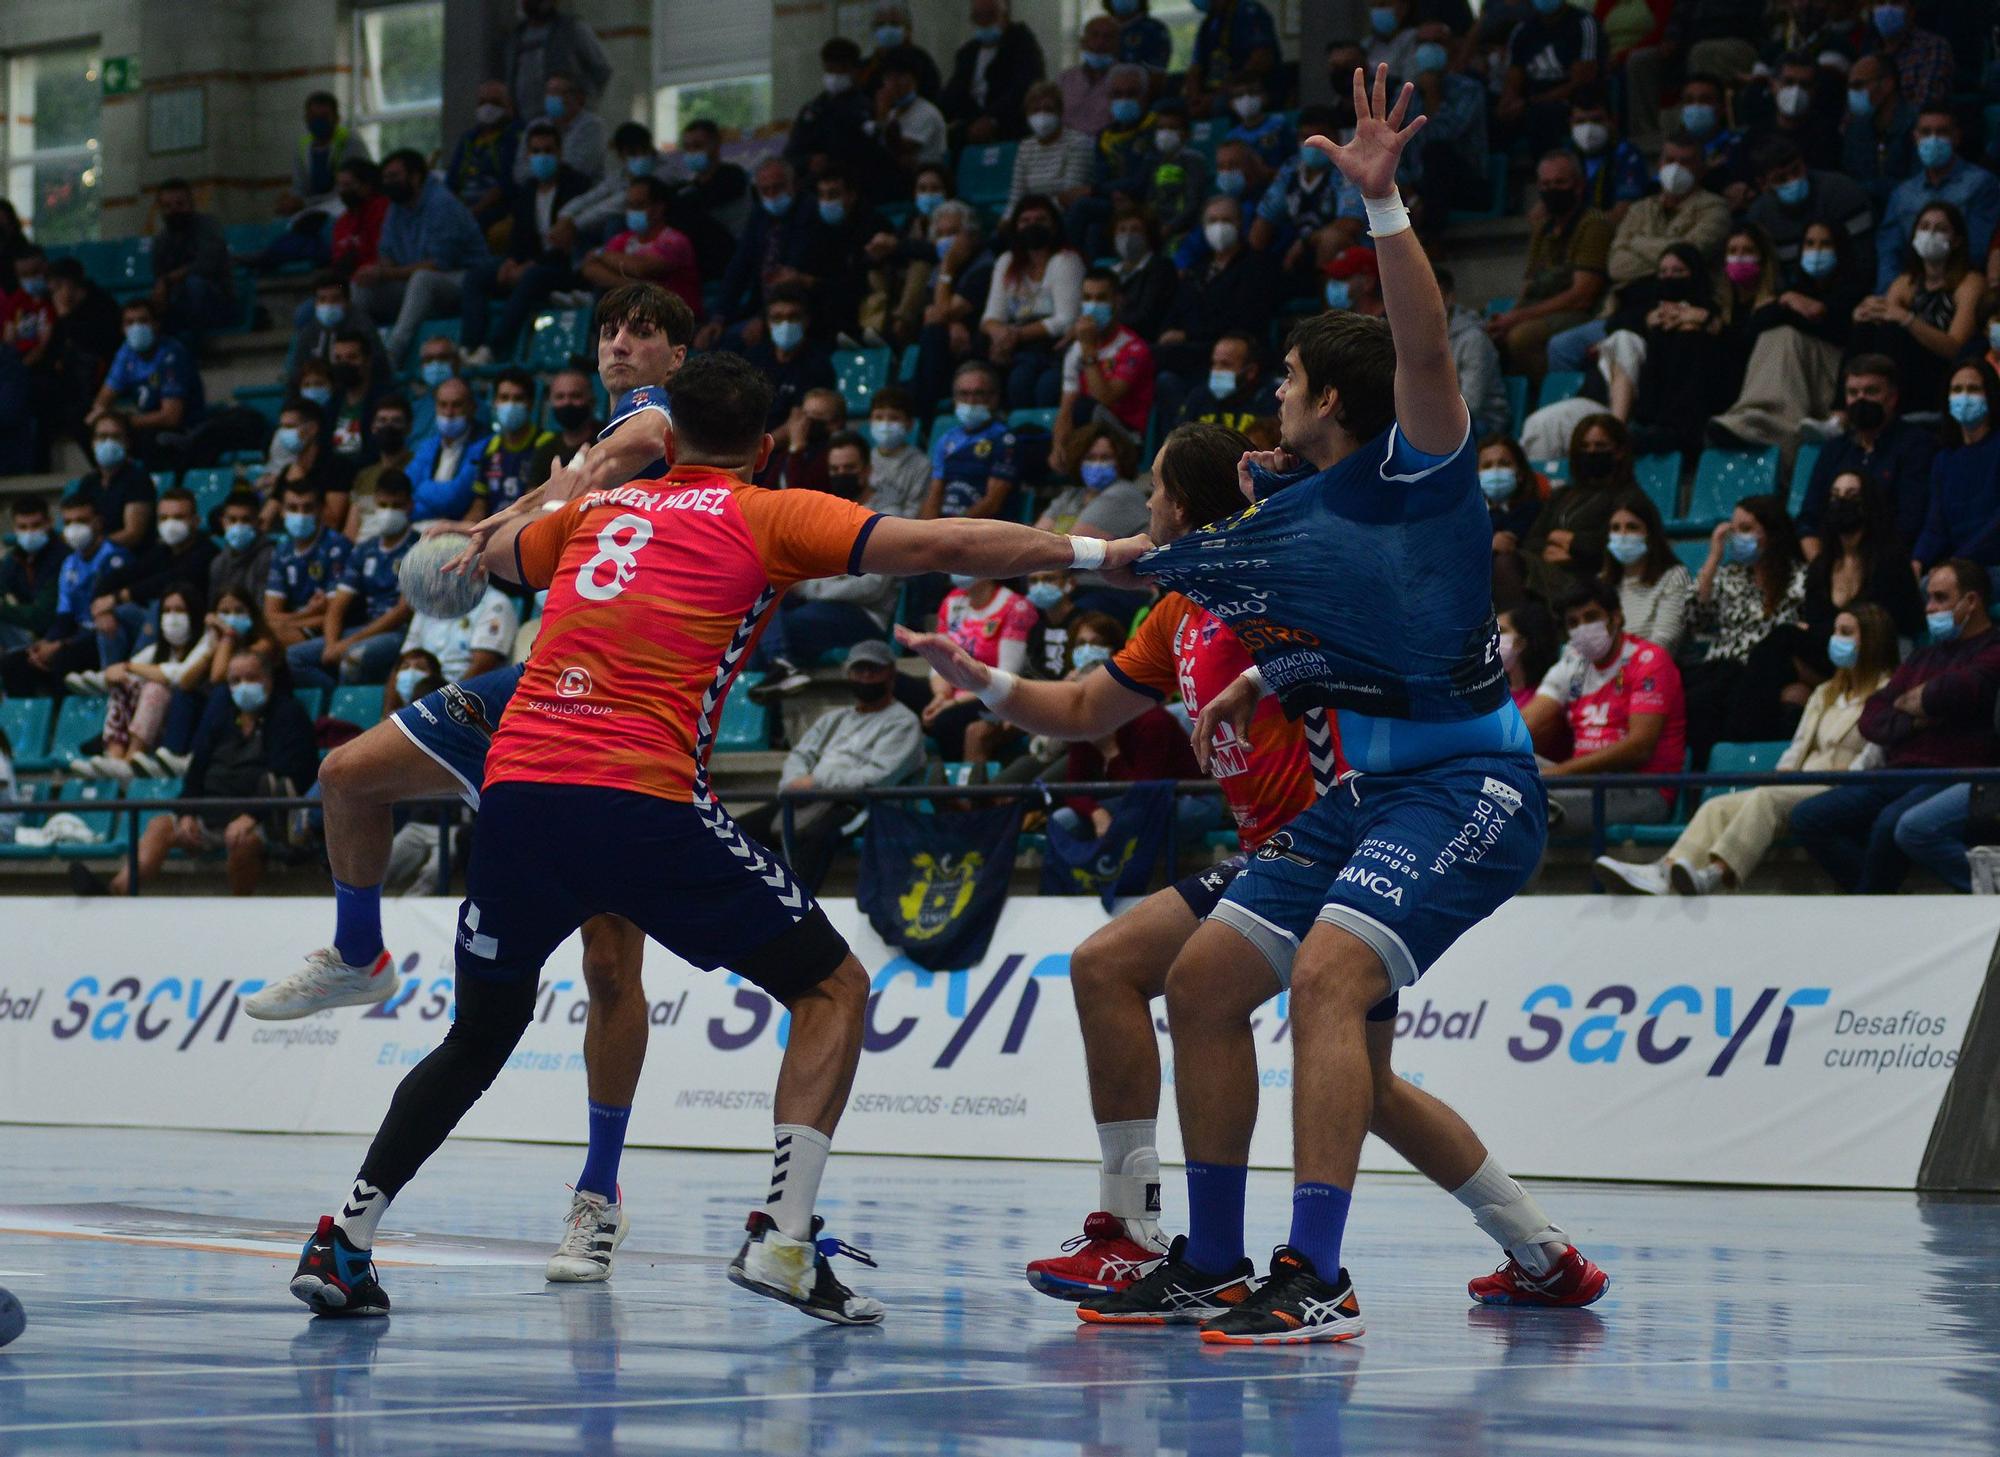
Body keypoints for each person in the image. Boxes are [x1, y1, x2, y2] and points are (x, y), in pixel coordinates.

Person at [281, 345, 1152, 1325]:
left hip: (519, 791)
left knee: (479, 1032)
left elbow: (487, 556)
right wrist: (1094, 554)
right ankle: (781, 1237)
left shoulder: (592, 514)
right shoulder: (771, 511)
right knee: (831, 986)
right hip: (638, 795)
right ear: (767, 443)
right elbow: (943, 543)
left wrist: (533, 501)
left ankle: (345, 1239)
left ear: (669, 437)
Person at [1084, 70, 1562, 1342]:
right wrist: (1248, 670)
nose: (1275, 394)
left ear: (1330, 400)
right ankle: (1220, 1258)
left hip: (1471, 789)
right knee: (1194, 984)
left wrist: (1383, 204)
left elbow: (1415, 345)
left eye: (1288, 377)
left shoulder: (1418, 467)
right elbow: (1305, 623)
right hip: (1362, 796)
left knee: (1330, 980)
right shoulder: (1286, 519)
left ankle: (1320, 1273)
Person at [248, 286, 696, 1291]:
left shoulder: (662, 422)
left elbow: (626, 454)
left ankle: (597, 1192)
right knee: (346, 772)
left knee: (611, 964)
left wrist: (531, 501)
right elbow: (565, 508)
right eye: (610, 331)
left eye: (642, 331)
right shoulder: (596, 446)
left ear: (680, 350)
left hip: (625, 712)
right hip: (536, 685)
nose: (621, 342)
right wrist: (497, 521)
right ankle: (360, 948)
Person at [1600, 603, 1901, 895]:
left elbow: (1874, 756)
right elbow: (1798, 746)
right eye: (1835, 631)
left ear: (1871, 641)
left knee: (1764, 798)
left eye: (1846, 632)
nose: (1835, 640)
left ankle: (1714, 873)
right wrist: (1784, 774)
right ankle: (1665, 870)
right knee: (1715, 806)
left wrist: (1838, 775)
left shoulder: (1888, 693)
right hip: (1802, 783)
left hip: (1844, 788)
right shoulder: (1826, 691)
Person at [1792, 560, 2000, 893]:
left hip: (1956, 774)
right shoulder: (1921, 658)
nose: (1930, 609)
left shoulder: (1993, 650)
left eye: (1940, 599)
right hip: (1897, 774)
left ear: (1971, 602)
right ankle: (1883, 900)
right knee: (1808, 818)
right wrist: (1919, 716)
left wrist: (1915, 703)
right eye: (1928, 599)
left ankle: (1871, 904)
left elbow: (1955, 690)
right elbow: (1872, 716)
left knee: (1892, 823)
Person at [67, 649, 314, 899]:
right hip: (208, 814)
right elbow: (197, 770)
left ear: (269, 679)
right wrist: (186, 813)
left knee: (244, 843)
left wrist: (251, 816)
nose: (243, 686)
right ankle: (117, 891)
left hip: (260, 820)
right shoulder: (222, 717)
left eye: (251, 678)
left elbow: (293, 774)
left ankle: (239, 909)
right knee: (160, 826)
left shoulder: (289, 715)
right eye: (235, 681)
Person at [739, 639, 922, 887]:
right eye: (860, 670)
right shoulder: (835, 718)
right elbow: (800, 755)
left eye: (874, 670)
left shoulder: (903, 723)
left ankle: (797, 910)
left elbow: (878, 777)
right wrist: (793, 783)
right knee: (735, 832)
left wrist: (816, 782)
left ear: (891, 674)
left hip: (860, 804)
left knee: (816, 836)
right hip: (807, 798)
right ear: (848, 673)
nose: (866, 677)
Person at [1526, 577, 1687, 832]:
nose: (1583, 628)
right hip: (1581, 783)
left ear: (1616, 618)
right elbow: (1523, 726)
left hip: (1641, 791)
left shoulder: (1649, 661)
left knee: (1526, 803)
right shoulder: (1573, 663)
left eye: (1591, 617)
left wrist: (1558, 775)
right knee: (1502, 764)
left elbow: (1639, 748)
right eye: (1573, 623)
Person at [1707, 220, 1864, 450]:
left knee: (1783, 335)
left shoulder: (1855, 290)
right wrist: (1787, 305)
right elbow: (1756, 328)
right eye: (1810, 244)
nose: (1816, 251)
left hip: (1837, 380)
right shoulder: (1796, 291)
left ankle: (1774, 424)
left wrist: (1818, 311)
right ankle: (1750, 417)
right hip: (1807, 378)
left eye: (1825, 244)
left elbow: (1839, 330)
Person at [1685, 494, 1809, 762]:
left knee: (1705, 700)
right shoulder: (1730, 576)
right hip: (1721, 667)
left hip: (1762, 673)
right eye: (1734, 529)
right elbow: (1696, 618)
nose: (1737, 537)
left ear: (1772, 532)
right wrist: (1714, 556)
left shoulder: (1800, 578)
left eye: (1746, 529)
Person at [459, 121, 592, 365]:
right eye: (536, 151)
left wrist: (527, 266)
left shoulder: (577, 186)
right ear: (529, 155)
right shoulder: (527, 191)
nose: (542, 157)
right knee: (477, 276)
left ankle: (492, 349)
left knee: (533, 277)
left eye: (548, 150)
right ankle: (469, 346)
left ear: (560, 152)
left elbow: (565, 246)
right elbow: (519, 237)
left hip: (564, 268)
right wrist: (511, 262)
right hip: (530, 262)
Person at [349, 150, 490, 364]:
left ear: (415, 177)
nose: (388, 183)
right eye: (385, 178)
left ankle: (392, 354)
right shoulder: (395, 208)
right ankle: (359, 354)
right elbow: (387, 254)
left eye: (394, 177)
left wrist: (386, 273)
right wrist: (377, 273)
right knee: (361, 286)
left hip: (464, 279)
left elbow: (439, 265)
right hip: (416, 282)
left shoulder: (441, 203)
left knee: (422, 278)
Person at [1795, 354, 1940, 558]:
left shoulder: (1916, 445)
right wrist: (1822, 568)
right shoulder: (1834, 449)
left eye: (1871, 391)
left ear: (1892, 398)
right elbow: (1809, 518)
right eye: (1853, 393)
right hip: (1832, 559)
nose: (1860, 399)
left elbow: (1910, 522)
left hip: (1888, 558)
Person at [1851, 202, 1984, 416]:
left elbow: (1955, 348)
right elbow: (1885, 319)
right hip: (1906, 366)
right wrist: (1865, 314)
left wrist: (1908, 320)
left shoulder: (1970, 282)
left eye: (1940, 229)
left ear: (1957, 240)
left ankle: (1890, 406)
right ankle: (1841, 413)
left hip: (1940, 370)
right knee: (1865, 328)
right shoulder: (1905, 282)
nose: (1930, 234)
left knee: (1894, 331)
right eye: (1924, 227)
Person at [1486, 151, 1611, 378]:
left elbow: (1582, 295)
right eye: (1546, 184)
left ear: (1578, 185)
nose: (1552, 189)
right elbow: (1530, 283)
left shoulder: (1594, 225)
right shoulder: (1543, 228)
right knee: (1486, 334)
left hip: (1582, 313)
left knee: (1521, 337)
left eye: (1560, 182)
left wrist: (1518, 318)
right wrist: (1507, 318)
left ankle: (1544, 395)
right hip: (1542, 309)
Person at [293, 473, 414, 691]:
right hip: (366, 628)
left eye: (396, 505)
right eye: (383, 504)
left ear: (410, 506)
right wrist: (332, 644)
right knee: (295, 656)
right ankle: (332, 702)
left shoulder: (418, 548)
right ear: (375, 505)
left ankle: (348, 714)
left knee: (353, 656)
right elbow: (337, 605)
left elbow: (402, 612)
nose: (388, 512)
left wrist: (346, 644)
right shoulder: (364, 549)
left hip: (400, 632)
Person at [85, 581, 215, 781]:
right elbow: (119, 670)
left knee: (155, 689)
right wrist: (115, 672)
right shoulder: (159, 650)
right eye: (167, 611)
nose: (172, 617)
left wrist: (129, 667)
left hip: (180, 727)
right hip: (148, 725)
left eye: (179, 610)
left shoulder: (205, 642)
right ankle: (114, 756)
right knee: (123, 684)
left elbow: (179, 675)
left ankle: (131, 758)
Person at [0, 497, 129, 697]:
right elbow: (64, 616)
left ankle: (66, 721)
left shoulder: (114, 558)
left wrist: (59, 645)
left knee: (63, 658)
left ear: (98, 522)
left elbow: (106, 619)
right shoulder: (70, 562)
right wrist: (47, 643)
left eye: (81, 521)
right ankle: (29, 725)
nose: (74, 528)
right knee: (14, 662)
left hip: (103, 636)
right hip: (73, 635)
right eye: (68, 522)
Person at [1873, 108, 2000, 295]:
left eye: (1941, 132)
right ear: (1915, 138)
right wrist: (1889, 294)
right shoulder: (1903, 193)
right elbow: (1889, 252)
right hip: (1909, 289)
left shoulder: (1981, 184)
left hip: (1960, 288)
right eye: (1926, 132)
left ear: (1956, 137)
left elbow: (1976, 249)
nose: (1933, 139)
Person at [922, 572, 1039, 762]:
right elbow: (939, 659)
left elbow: (1005, 675)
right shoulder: (952, 600)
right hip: (954, 687)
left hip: (992, 690)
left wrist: (952, 703)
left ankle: (957, 785)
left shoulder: (1016, 607)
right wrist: (940, 696)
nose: (955, 569)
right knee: (903, 692)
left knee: (946, 721)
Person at [87, 297, 205, 468]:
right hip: (145, 425)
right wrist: (100, 420)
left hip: (183, 428)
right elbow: (103, 400)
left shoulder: (172, 354)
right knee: (95, 429)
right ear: (122, 328)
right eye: (130, 322)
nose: (136, 327)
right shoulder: (126, 352)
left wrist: (125, 422)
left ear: (156, 324)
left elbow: (171, 417)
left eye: (143, 321)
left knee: (146, 440)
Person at [1915, 362, 2000, 575]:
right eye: (1957, 390)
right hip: (1958, 566)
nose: (1964, 397)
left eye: (1973, 389)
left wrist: (1956, 563)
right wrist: (1917, 561)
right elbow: (1935, 527)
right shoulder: (1944, 460)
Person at [1498, 0, 1605, 154]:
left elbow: (1582, 80)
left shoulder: (1583, 23)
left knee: (1542, 116)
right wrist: (1507, 104)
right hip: (1530, 104)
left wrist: (1532, 102)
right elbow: (1513, 81)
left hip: (1573, 103)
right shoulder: (1522, 30)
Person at [264, 480, 354, 654]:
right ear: (281, 511)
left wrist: (286, 622)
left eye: (307, 508)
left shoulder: (338, 547)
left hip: (330, 630)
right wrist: (307, 613)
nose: (300, 515)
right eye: (292, 508)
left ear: (320, 510)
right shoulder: (282, 550)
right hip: (298, 624)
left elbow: (332, 615)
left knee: (266, 642)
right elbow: (270, 613)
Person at [943, 0, 1049, 146]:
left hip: (1010, 122)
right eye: (978, 17)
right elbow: (954, 91)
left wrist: (992, 119)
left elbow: (1024, 87)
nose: (984, 22)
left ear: (1005, 16)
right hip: (971, 123)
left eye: (990, 16)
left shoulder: (1022, 43)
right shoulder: (967, 53)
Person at [923, 362, 1018, 521]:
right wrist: (927, 532)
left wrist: (952, 529)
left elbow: (992, 503)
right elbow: (934, 495)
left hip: (982, 530)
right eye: (963, 394)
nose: (971, 401)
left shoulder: (1005, 440)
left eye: (978, 394)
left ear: (994, 398)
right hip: (944, 529)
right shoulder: (946, 440)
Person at [1602, 488, 1690, 656]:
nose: (1622, 535)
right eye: (1615, 528)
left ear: (1650, 534)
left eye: (1632, 527)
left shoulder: (1673, 577)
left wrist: (1616, 669)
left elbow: (1664, 642)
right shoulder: (1602, 583)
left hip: (1648, 673)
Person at [787, 39, 883, 187]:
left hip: (856, 186)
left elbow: (872, 153)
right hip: (815, 187)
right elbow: (791, 154)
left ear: (855, 71)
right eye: (830, 71)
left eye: (842, 70)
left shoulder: (867, 108)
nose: (835, 76)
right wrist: (808, 161)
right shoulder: (813, 110)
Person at [150, 179, 234, 341]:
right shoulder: (161, 240)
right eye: (167, 206)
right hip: (179, 301)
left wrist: (168, 280)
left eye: (180, 204)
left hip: (216, 301)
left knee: (195, 285)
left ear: (191, 204)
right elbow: (159, 276)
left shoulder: (208, 226)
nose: (174, 210)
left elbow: (207, 265)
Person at [503, 0, 611, 118]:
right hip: (524, 120)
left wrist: (583, 102)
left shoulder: (571, 28)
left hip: (562, 120)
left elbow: (601, 69)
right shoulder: (516, 36)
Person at [443, 80, 522, 235]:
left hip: (495, 208)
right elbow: (452, 181)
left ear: (509, 107)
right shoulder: (469, 139)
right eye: (482, 102)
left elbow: (507, 183)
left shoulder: (516, 137)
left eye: (495, 102)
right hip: (462, 207)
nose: (488, 107)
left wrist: (474, 210)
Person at [1438, 269, 1508, 441]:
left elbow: (1472, 404)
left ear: (1449, 298)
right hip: (1437, 420)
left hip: (1484, 421)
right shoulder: (1416, 338)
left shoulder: (1473, 339)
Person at [1841, 55, 1917, 212]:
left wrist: (1871, 189)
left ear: (1887, 84)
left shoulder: (1918, 124)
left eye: (1859, 85)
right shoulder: (1856, 129)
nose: (1853, 93)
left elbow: (1919, 184)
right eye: (1850, 87)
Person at [72, 412, 157, 551]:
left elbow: (133, 534)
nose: (108, 442)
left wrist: (93, 546)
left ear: (127, 442)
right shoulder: (89, 482)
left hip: (129, 559)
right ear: (93, 443)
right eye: (102, 436)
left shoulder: (137, 479)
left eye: (116, 437)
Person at [407, 378, 484, 522]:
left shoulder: (483, 446)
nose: (449, 412)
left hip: (457, 529)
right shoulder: (428, 446)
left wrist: (420, 489)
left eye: (457, 405)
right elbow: (404, 490)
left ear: (472, 407)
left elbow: (453, 499)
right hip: (418, 526)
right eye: (443, 405)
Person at [1185, 0, 1280, 112]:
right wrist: (1194, 97)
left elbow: (1260, 60)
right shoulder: (1208, 24)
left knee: (1219, 105)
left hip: (1248, 91)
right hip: (1214, 92)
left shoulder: (1249, 12)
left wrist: (1218, 94)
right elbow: (1195, 68)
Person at [0, 495, 64, 654]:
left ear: (50, 523)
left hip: (54, 636)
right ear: (14, 528)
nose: (29, 533)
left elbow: (42, 616)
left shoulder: (63, 558)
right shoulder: (15, 557)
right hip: (27, 632)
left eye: (36, 525)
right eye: (22, 527)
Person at [522, 71, 608, 187]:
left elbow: (576, 169)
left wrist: (540, 171)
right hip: (537, 193)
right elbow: (520, 171)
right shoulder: (535, 126)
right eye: (549, 92)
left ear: (577, 97)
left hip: (581, 195)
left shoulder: (592, 127)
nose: (552, 97)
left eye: (558, 92)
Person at [1863, 0, 1953, 108]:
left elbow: (1925, 105)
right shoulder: (1868, 52)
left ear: (1911, 11)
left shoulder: (1931, 47)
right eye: (1880, 3)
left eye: (1896, 3)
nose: (1887, 10)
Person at [210, 493, 274, 607]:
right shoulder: (218, 563)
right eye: (232, 520)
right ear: (223, 522)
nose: (238, 526)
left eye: (246, 520)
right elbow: (214, 607)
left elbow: (262, 608)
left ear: (258, 522)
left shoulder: (270, 557)